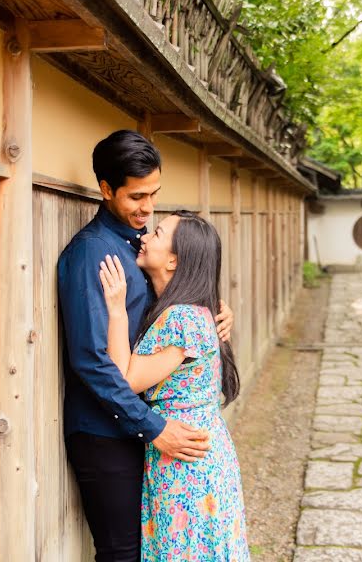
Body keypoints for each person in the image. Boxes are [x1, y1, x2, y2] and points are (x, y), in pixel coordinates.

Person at [57, 130, 234, 562]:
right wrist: (153, 428)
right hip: (105, 431)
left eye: (154, 194)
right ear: (105, 189)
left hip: (140, 424)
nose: (147, 208)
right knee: (123, 553)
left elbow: (172, 303)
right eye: (136, 197)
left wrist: (213, 314)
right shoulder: (91, 254)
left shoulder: (141, 247)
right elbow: (91, 360)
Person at [98, 210, 249, 561]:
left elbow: (126, 380)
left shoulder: (182, 317)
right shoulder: (189, 311)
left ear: (173, 260)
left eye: (158, 233)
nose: (146, 235)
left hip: (186, 463)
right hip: (195, 455)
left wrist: (117, 310)